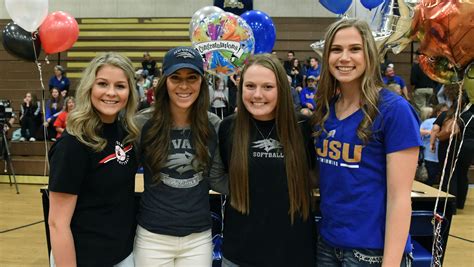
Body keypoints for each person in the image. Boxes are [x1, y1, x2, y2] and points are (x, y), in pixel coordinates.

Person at [312, 18, 421, 266]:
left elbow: (400, 198)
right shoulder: (326, 111)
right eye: (336, 49)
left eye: (355, 49)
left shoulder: (394, 111)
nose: (344, 57)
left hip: (372, 252)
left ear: (369, 55)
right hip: (327, 245)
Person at [133, 46, 228, 266]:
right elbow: (120, 175)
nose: (184, 86)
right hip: (152, 237)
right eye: (175, 78)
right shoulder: (142, 123)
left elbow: (218, 178)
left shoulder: (214, 124)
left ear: (201, 83)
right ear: (164, 81)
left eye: (192, 78)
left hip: (198, 238)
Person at [219, 54, 316, 267]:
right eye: (250, 86)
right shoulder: (228, 128)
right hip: (239, 255)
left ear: (281, 89)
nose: (257, 95)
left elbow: (317, 177)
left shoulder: (304, 127)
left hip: (295, 255)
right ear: (240, 87)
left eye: (268, 87)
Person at [48, 52, 140, 266]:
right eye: (102, 84)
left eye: (120, 86)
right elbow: (57, 224)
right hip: (83, 258)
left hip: (123, 255)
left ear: (129, 92)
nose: (111, 93)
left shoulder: (127, 134)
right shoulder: (73, 144)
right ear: (89, 87)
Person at [430, 90, 473, 209]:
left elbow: (434, 129)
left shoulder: (446, 115)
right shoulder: (471, 116)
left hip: (451, 145)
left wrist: (432, 143)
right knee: (462, 174)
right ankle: (460, 204)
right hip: (469, 148)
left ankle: (449, 206)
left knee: (449, 174)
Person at [420, 104, 448, 186]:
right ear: (438, 112)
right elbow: (418, 132)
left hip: (441, 156)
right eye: (444, 112)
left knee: (436, 179)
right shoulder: (429, 121)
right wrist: (430, 132)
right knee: (428, 178)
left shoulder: (448, 122)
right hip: (429, 156)